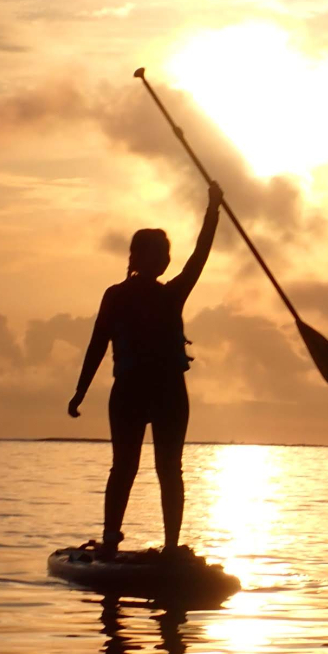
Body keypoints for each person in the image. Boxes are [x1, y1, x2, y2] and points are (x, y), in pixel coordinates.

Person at [68, 183, 223, 558]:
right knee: (124, 467)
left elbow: (199, 258)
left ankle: (171, 545)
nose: (163, 260)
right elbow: (97, 344)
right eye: (154, 254)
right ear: (136, 258)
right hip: (130, 392)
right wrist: (80, 391)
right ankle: (110, 539)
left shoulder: (172, 294)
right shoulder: (115, 296)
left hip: (169, 392)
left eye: (165, 254)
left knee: (170, 469)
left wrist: (213, 212)